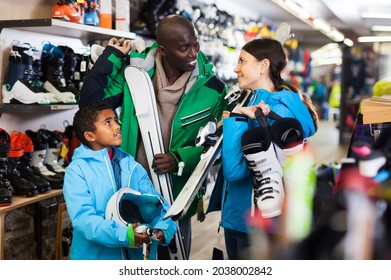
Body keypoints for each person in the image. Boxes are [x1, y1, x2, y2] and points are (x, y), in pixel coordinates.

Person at [79, 14, 228, 258]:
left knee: (172, 260)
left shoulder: (213, 89)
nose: (193, 53)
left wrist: (180, 158)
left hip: (176, 197)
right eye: (184, 48)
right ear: (163, 49)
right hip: (131, 192)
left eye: (195, 44)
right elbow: (89, 107)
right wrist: (111, 57)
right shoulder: (134, 74)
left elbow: (219, 146)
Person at [219, 38, 319, 259]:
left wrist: (236, 121)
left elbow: (234, 170)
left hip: (256, 221)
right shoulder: (251, 103)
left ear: (263, 66)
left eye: (242, 61)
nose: (236, 68)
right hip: (240, 214)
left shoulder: (275, 111)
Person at [63, 102, 176, 260]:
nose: (117, 126)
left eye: (116, 120)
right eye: (108, 122)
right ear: (90, 135)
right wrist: (125, 235)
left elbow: (156, 203)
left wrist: (163, 229)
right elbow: (84, 220)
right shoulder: (77, 171)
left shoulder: (131, 166)